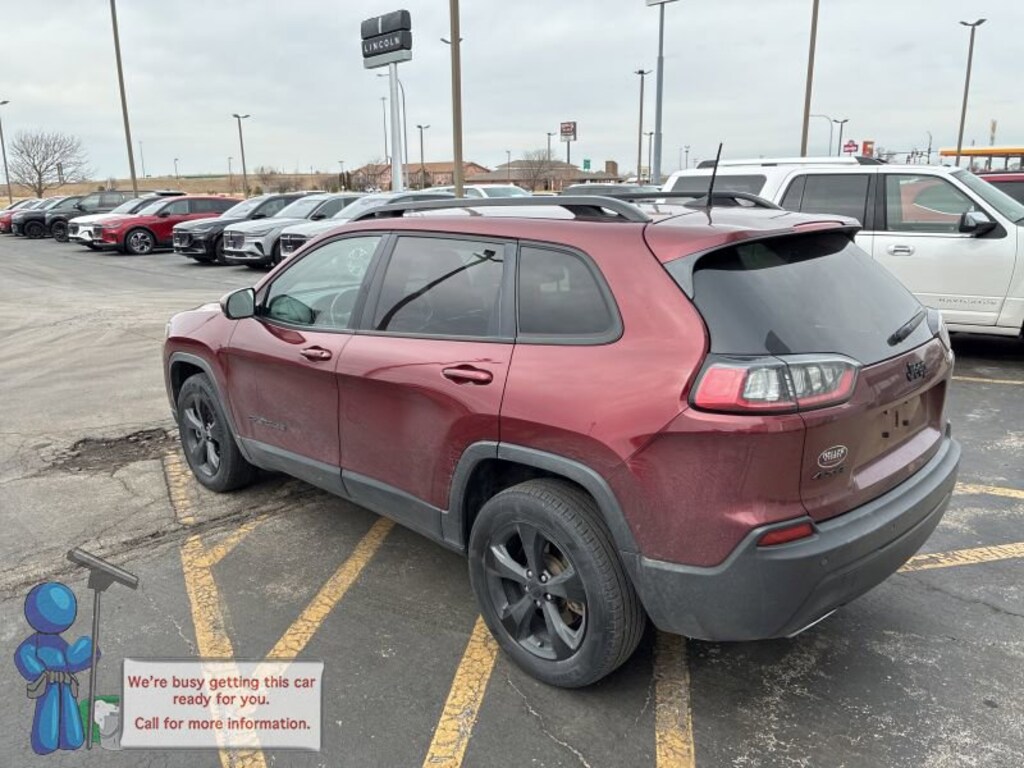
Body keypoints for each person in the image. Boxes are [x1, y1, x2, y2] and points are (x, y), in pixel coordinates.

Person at [14, 582, 96, 754]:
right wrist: (38, 671)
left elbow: (71, 659)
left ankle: (71, 738)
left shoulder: (59, 643)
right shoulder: (35, 641)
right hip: (49, 683)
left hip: (64, 683)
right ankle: (46, 742)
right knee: (49, 711)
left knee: (68, 710)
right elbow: (25, 654)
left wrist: (87, 650)